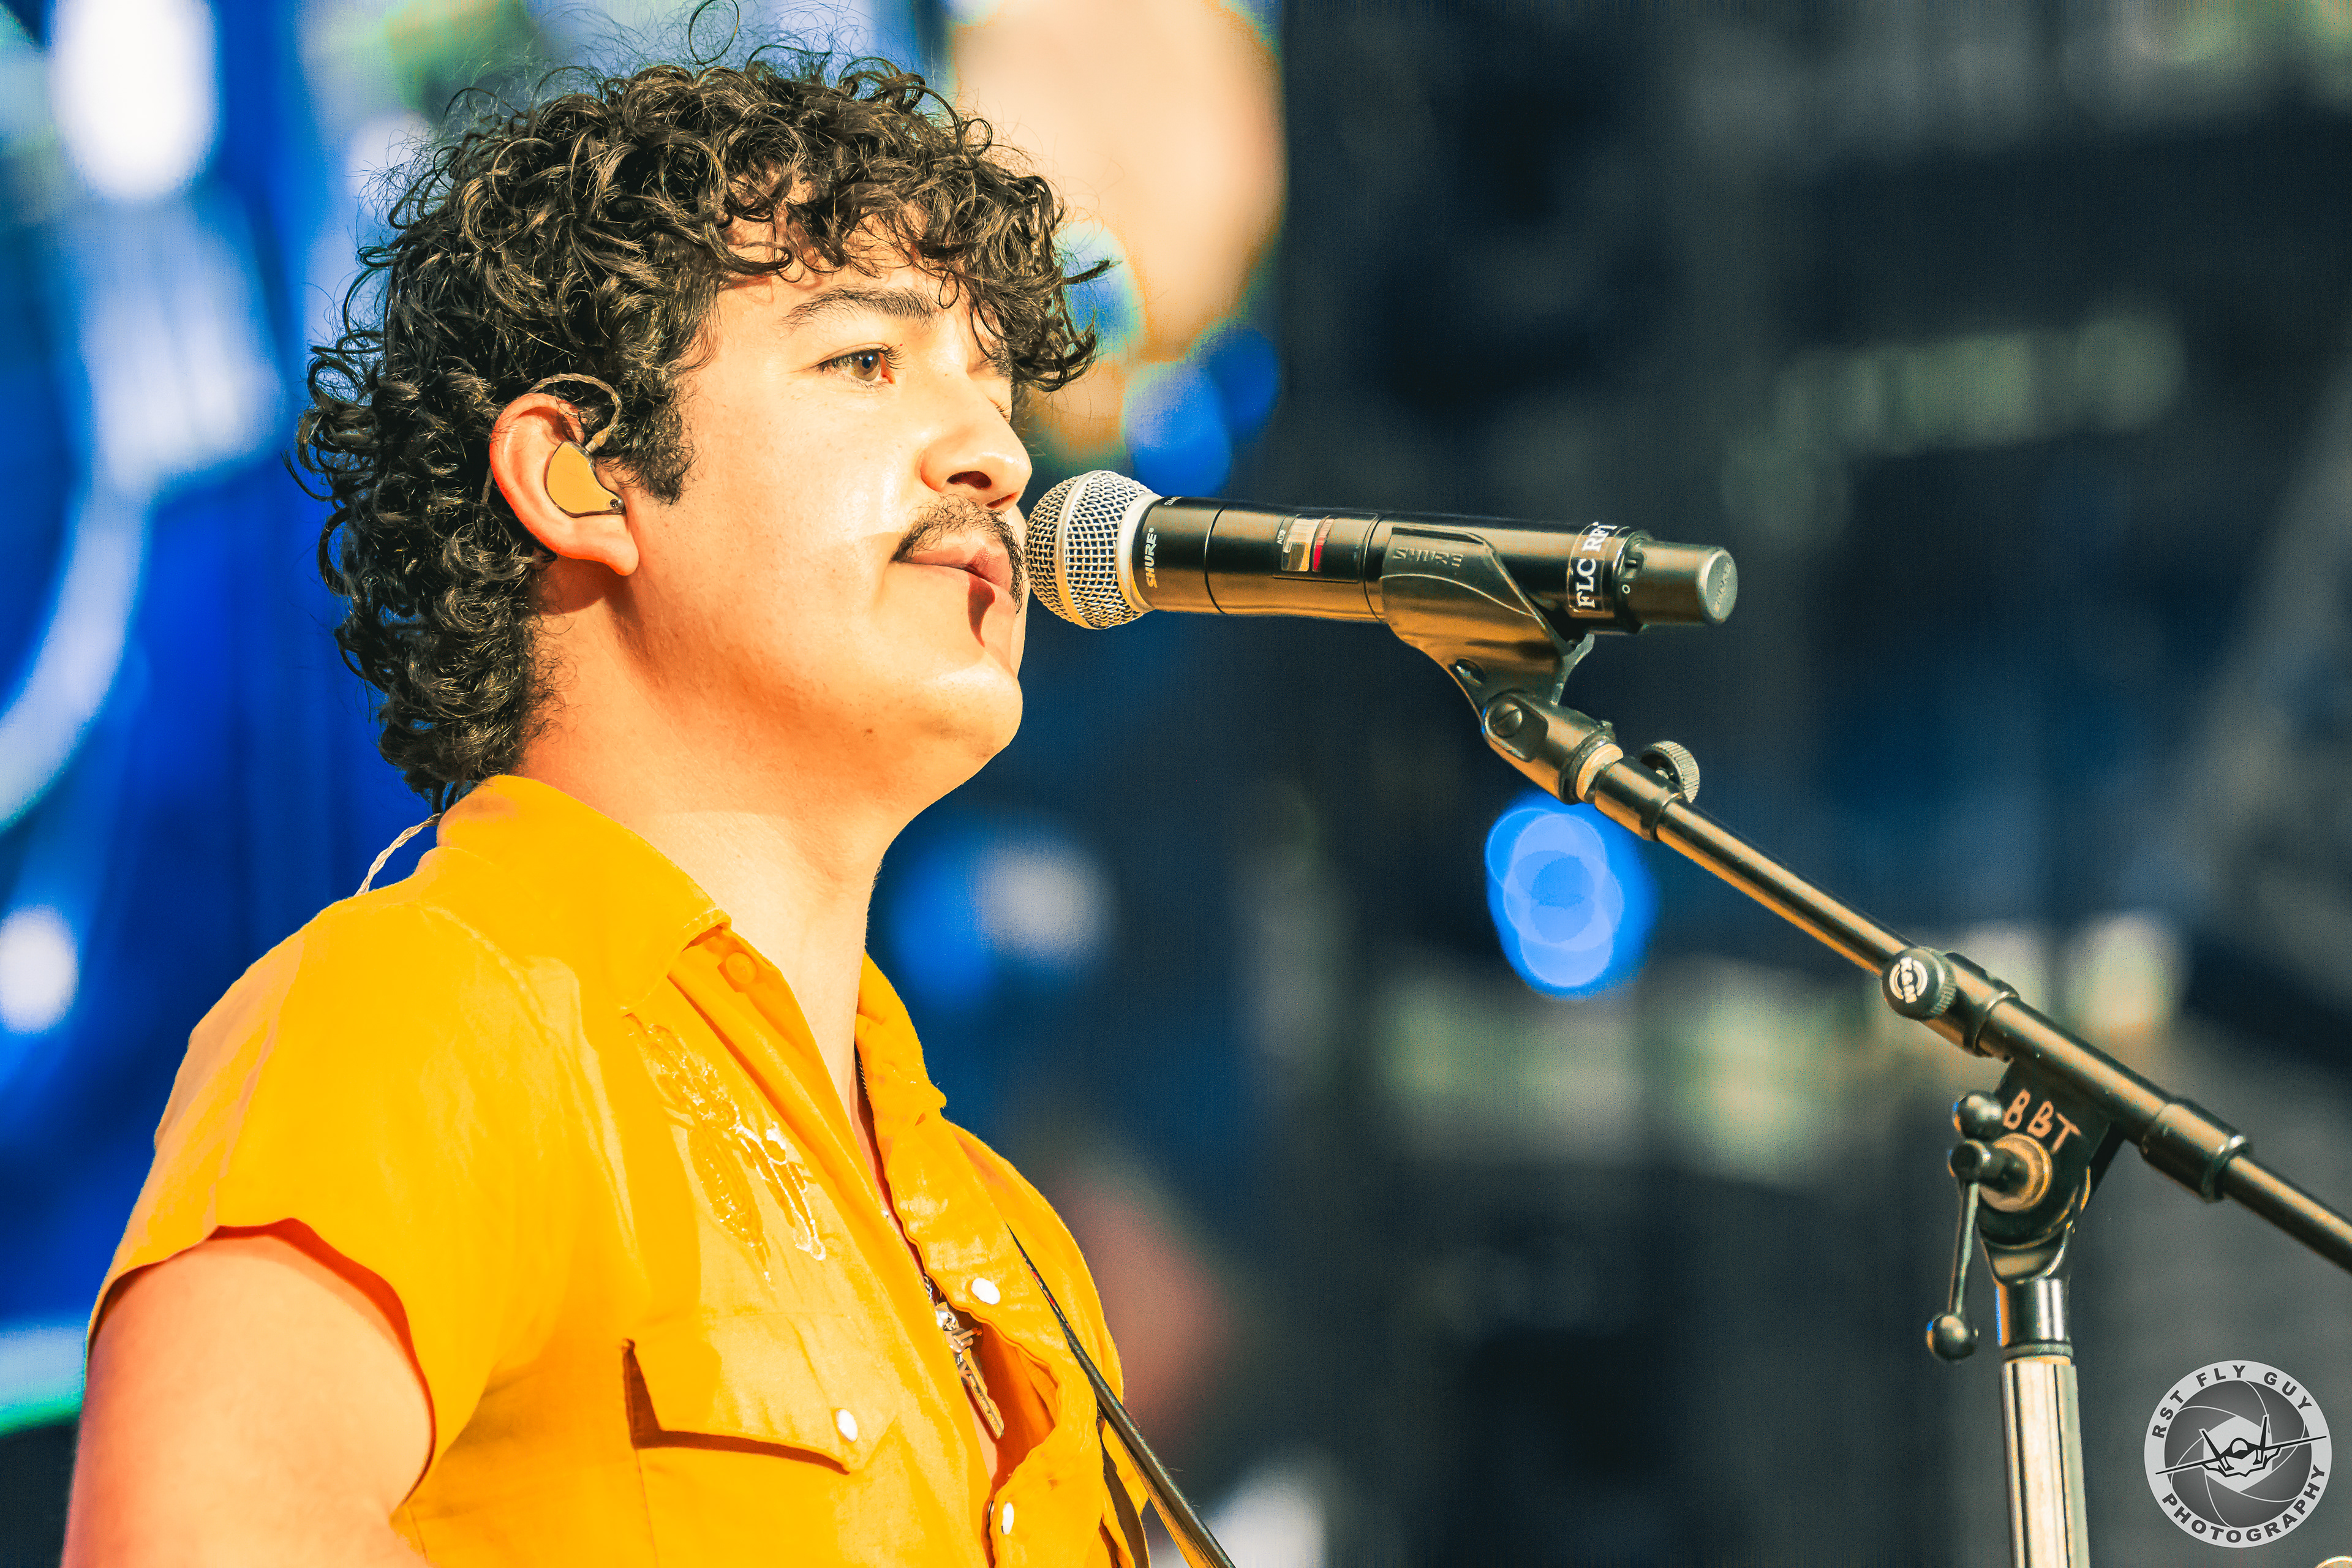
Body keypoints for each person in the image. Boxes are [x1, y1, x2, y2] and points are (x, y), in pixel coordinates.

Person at [62, 50, 1150, 1568]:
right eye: (867, 362)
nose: (999, 452)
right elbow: (196, 1540)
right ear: (580, 474)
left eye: (996, 386)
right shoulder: (428, 1006)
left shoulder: (1009, 1242)